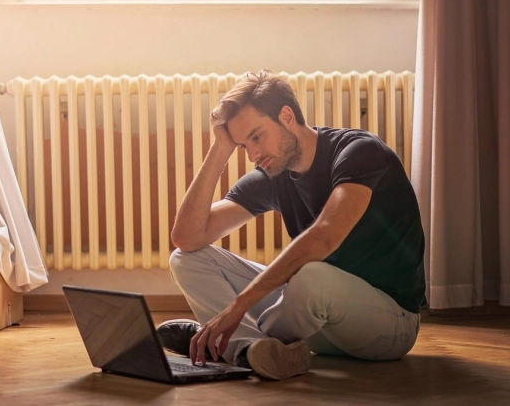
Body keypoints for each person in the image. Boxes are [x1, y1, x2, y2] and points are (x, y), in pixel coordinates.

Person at [157, 70, 425, 380]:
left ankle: (226, 344)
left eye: (257, 136)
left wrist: (237, 307)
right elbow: (187, 238)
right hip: (311, 318)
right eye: (244, 146)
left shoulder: (358, 151)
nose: (253, 155)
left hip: (390, 324)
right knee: (186, 259)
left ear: (287, 116)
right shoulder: (272, 174)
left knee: (311, 277)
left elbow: (325, 237)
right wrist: (221, 149)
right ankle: (253, 351)